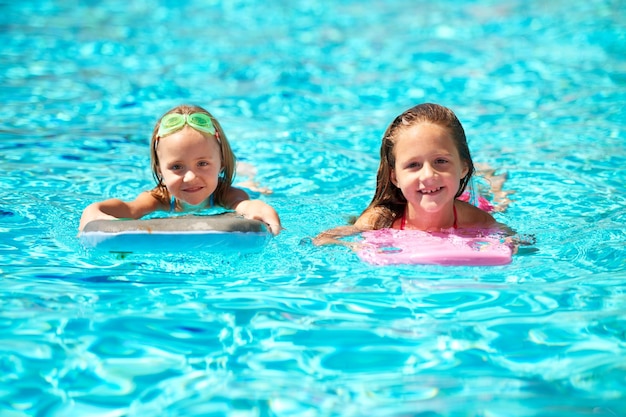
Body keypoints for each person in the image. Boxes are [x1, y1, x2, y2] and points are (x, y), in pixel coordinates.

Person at [315, 103, 509, 245]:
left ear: (464, 167)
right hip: (445, 191)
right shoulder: (380, 220)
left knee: (498, 203)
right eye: (413, 165)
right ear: (395, 177)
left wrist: (509, 245)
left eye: (441, 161)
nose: (428, 175)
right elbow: (323, 240)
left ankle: (492, 179)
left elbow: (516, 240)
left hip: (469, 201)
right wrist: (355, 247)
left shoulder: (477, 219)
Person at [79, 104, 282, 235]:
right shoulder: (159, 198)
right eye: (177, 167)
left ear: (221, 162)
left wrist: (259, 208)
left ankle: (249, 176)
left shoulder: (227, 194)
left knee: (253, 185)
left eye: (202, 163)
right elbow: (129, 209)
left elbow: (245, 205)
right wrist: (94, 211)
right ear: (160, 170)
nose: (190, 177)